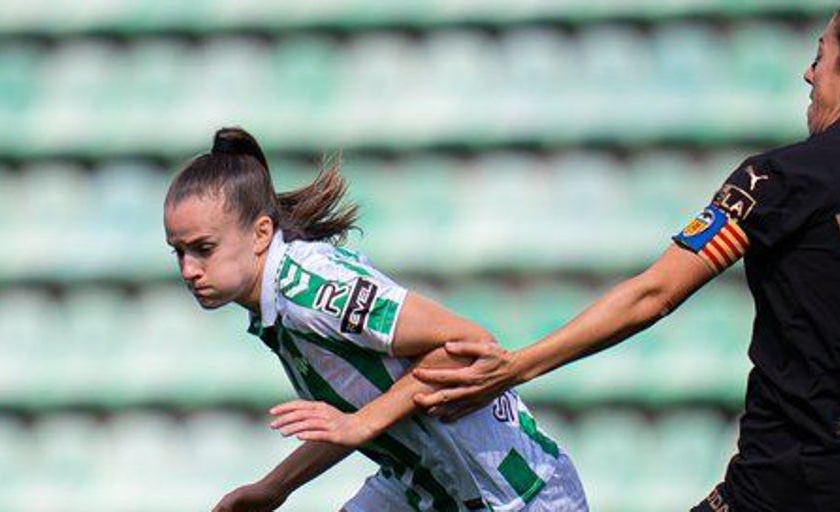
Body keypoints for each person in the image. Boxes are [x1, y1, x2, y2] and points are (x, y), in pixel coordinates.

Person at [411, 0, 840, 510]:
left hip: (792, 486)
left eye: (820, 57)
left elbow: (653, 296)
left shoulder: (781, 179)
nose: (808, 73)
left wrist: (517, 365)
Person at [162, 127, 586, 512]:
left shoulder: (312, 292)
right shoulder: (275, 310)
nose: (188, 270)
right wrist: (276, 487)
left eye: (203, 248)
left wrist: (360, 423)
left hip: (519, 494)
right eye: (178, 251)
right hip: (426, 484)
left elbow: (469, 345)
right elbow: (357, 413)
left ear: (260, 234)